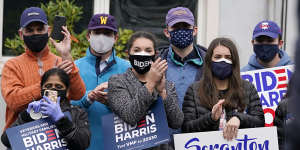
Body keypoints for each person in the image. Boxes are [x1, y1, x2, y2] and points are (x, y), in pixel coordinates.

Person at [1, 7, 86, 131]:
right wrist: (49, 80)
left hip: (54, 138)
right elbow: (14, 102)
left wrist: (67, 56)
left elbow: (78, 94)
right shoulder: (12, 65)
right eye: (29, 30)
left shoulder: (60, 60)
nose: (35, 33)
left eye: (40, 29)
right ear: (21, 34)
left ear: (49, 30)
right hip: (21, 138)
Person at [108, 31, 183, 149]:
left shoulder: (167, 84)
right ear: (128, 54)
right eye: (137, 50)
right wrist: (151, 84)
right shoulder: (117, 82)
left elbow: (176, 122)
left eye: (148, 50)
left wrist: (162, 93)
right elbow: (130, 116)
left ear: (155, 54)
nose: (142, 54)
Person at [182, 38, 265, 140]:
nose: (223, 60)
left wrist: (239, 118)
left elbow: (260, 122)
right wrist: (211, 118)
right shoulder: (194, 90)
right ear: (209, 60)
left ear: (234, 61)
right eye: (217, 57)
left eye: (228, 57)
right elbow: (186, 128)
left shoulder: (248, 88)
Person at [71, 14, 130, 150]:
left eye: (107, 33)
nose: (101, 37)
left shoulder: (128, 69)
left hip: (118, 145)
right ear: (88, 36)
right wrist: (88, 98)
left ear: (115, 38)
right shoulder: (74, 68)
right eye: (97, 32)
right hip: (81, 145)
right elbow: (65, 105)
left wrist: (114, 102)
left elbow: (137, 108)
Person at [1, 68, 90, 150]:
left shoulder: (77, 112)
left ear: (67, 92)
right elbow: (6, 141)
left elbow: (82, 144)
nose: (52, 89)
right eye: (48, 86)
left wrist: (61, 120)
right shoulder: (32, 112)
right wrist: (25, 118)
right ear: (41, 90)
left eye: (58, 87)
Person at [160, 6, 206, 108]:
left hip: (200, 123)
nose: (181, 31)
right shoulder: (157, 63)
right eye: (176, 27)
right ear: (167, 32)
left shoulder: (210, 62)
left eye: (186, 26)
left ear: (194, 30)